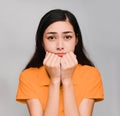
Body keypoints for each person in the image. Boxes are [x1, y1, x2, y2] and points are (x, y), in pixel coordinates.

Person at [16, 9, 104, 116]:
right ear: (42, 42)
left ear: (76, 40)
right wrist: (55, 80)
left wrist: (67, 80)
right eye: (51, 38)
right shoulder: (29, 76)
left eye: (67, 37)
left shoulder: (91, 74)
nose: (60, 46)